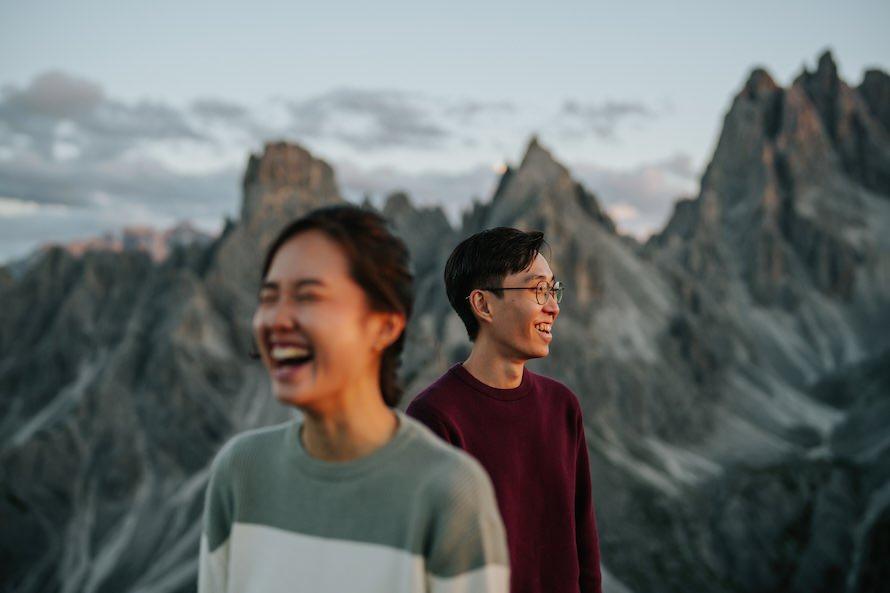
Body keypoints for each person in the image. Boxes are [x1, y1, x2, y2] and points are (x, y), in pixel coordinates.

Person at [198, 205, 509, 593]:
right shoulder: (240, 472)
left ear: (385, 326)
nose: (276, 320)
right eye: (269, 297)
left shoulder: (450, 492)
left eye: (308, 296)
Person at [407, 227, 602, 593]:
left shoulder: (562, 406)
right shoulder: (434, 416)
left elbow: (584, 547)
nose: (554, 306)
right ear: (482, 305)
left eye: (553, 290)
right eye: (537, 290)